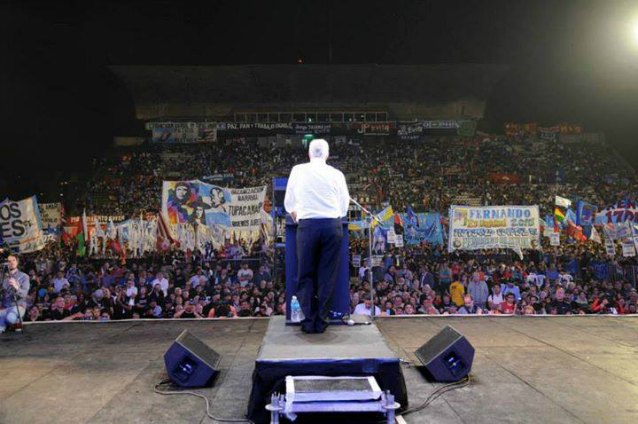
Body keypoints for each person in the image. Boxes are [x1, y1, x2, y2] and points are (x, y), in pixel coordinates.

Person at [284, 138, 349, 333]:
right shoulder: (336, 174)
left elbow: (289, 203)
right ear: (328, 155)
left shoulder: (298, 170)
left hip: (308, 226)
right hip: (332, 226)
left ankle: (308, 319)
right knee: (327, 275)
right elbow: (344, 207)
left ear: (309, 154)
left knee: (306, 274)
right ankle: (321, 320)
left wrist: (299, 216)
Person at [0, 255, 30, 333]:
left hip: (18, 306)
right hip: (5, 307)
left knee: (10, 318)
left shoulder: (24, 276)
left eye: (13, 260)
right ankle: (9, 325)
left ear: (17, 262)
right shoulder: (2, 277)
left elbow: (24, 294)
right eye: (9, 261)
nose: (11, 262)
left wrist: (16, 287)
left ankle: (14, 322)